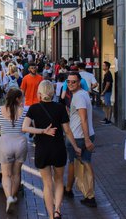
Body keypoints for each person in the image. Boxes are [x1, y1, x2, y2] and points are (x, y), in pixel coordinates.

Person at [23, 81, 80, 219]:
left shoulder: (34, 108)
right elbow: (67, 130)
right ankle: (57, 210)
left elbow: (25, 128)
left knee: (47, 184)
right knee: (59, 180)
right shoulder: (60, 108)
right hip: (58, 148)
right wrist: (75, 146)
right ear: (52, 92)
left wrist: (42, 131)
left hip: (42, 149)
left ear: (39, 93)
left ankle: (50, 215)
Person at [63, 72, 97, 207]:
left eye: (74, 82)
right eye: (68, 81)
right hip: (83, 135)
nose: (70, 84)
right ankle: (88, 194)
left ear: (79, 82)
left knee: (75, 163)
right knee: (85, 163)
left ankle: (82, 193)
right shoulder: (83, 94)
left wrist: (87, 139)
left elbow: (83, 119)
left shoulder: (78, 97)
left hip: (78, 137)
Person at [0, 89, 28, 214]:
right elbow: (27, 127)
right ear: (18, 99)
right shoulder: (24, 111)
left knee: (6, 174)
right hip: (20, 143)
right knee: (16, 174)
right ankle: (13, 194)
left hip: (5, 142)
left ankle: (9, 197)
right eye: (22, 97)